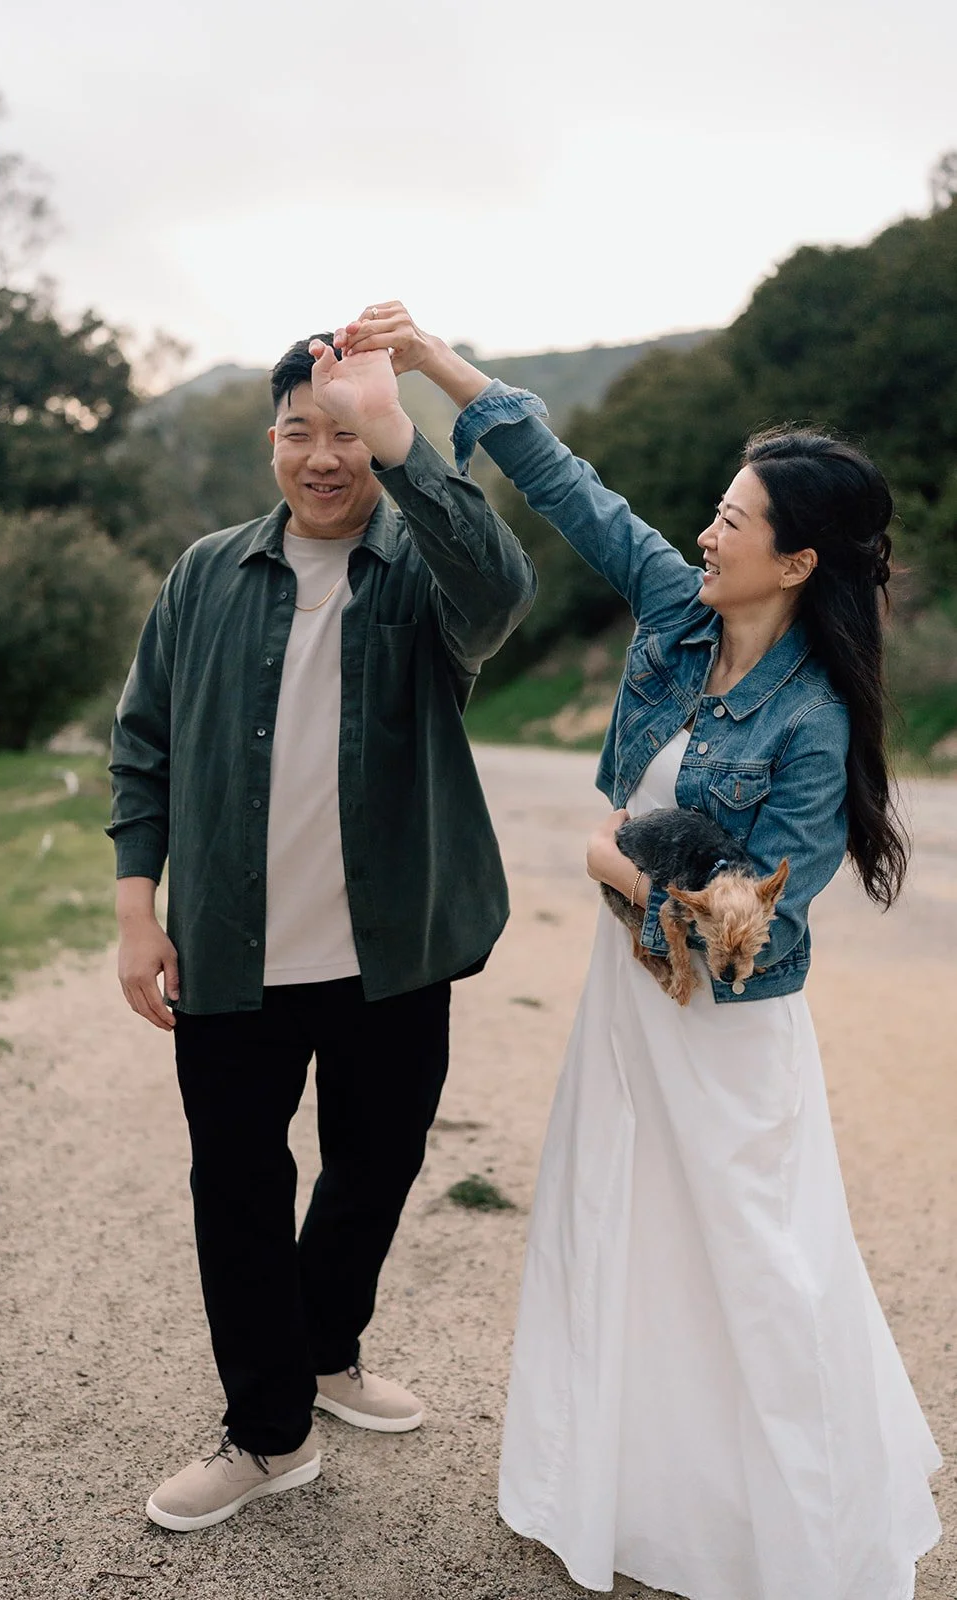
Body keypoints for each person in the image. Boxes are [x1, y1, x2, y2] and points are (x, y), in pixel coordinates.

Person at [339, 303, 942, 1599]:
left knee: (756, 1271)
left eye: (734, 519)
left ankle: (796, 1534)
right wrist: (435, 361)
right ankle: (628, 1505)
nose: (705, 531)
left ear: (792, 564)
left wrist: (621, 863)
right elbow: (567, 488)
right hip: (629, 1014)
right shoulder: (675, 614)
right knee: (614, 1237)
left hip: (723, 1036)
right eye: (715, 510)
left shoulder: (812, 724)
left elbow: (749, 926)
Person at [107, 326, 535, 1532]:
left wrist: (404, 431)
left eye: (347, 431)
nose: (323, 456)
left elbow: (503, 590)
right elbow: (140, 747)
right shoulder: (203, 575)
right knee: (235, 1188)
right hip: (234, 957)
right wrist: (138, 913)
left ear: (378, 442)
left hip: (391, 951)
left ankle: (323, 1345)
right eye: (302, 430)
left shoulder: (422, 574)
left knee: (377, 1161)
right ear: (272, 443)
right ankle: (270, 1430)